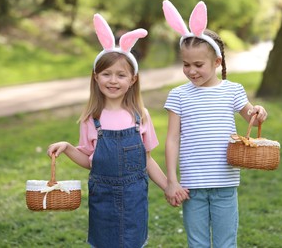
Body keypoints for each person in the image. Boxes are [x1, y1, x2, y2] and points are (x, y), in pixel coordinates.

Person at [47, 13, 188, 248]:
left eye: (121, 75)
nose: (113, 80)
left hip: (134, 199)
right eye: (106, 74)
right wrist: (68, 148)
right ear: (96, 77)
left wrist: (169, 186)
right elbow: (90, 160)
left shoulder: (139, 116)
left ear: (132, 80)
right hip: (102, 200)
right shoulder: (91, 118)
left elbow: (147, 160)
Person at [162, 0, 268, 247]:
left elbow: (251, 114)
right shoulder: (178, 95)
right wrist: (171, 180)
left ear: (217, 62)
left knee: (225, 243)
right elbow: (172, 139)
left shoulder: (232, 91)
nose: (191, 71)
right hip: (192, 186)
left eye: (198, 65)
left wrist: (260, 112)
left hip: (225, 182)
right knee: (196, 243)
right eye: (186, 65)